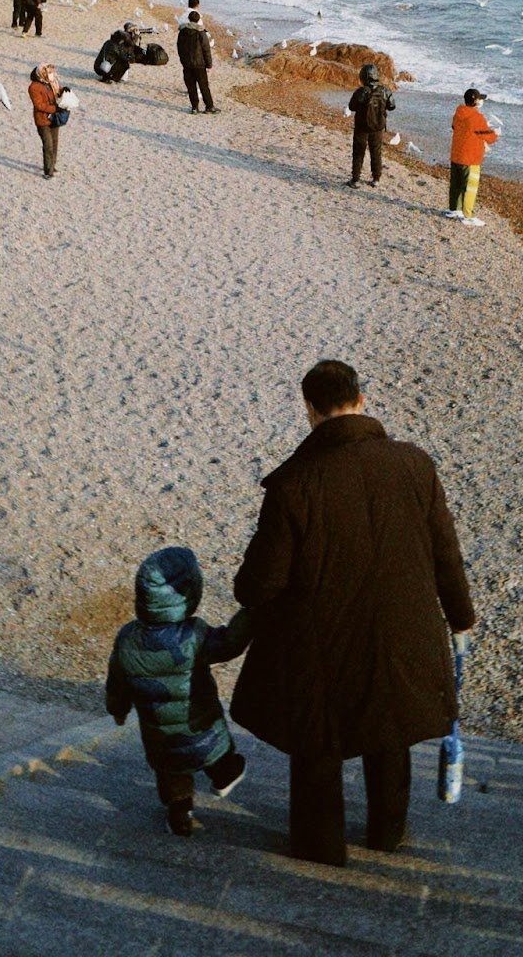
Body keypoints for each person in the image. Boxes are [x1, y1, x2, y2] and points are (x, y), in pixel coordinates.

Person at [231, 359, 475, 868]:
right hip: (400, 630)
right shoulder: (414, 464)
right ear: (362, 401)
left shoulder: (294, 483)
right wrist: (461, 618)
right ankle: (388, 834)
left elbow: (260, 584)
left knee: (319, 740)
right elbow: (444, 552)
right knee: (388, 726)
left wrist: (248, 591)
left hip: (322, 642)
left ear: (311, 411)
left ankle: (320, 849)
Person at [106, 546, 251, 838]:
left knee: (172, 775)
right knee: (215, 753)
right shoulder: (194, 635)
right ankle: (225, 774)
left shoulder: (127, 639)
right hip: (200, 724)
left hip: (159, 736)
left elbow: (117, 682)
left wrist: (118, 710)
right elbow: (229, 644)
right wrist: (249, 615)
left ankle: (180, 816)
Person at [447, 87, 498, 225]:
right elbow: (490, 138)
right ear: (476, 101)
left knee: (456, 185)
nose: (482, 101)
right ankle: (468, 216)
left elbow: (454, 127)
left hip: (456, 154)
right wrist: (496, 133)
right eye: (480, 99)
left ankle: (453, 209)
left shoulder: (458, 113)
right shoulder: (477, 117)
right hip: (470, 157)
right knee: (470, 187)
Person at [347, 63, 395, 188]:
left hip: (361, 127)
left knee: (358, 152)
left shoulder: (360, 92)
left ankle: (355, 180)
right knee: (376, 152)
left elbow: (351, 107)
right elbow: (392, 106)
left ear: (363, 77)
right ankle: (376, 179)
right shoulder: (385, 91)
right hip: (377, 127)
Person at [27, 62, 66, 177]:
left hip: (54, 119)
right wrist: (55, 109)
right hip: (43, 120)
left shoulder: (51, 83)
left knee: (54, 143)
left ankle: (52, 165)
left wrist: (64, 91)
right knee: (48, 144)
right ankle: (48, 171)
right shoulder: (34, 87)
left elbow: (57, 92)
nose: (49, 74)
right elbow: (39, 105)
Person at [176, 9, 217, 113]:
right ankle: (209, 107)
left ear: (189, 19)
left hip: (187, 64)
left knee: (191, 87)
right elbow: (206, 49)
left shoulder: (182, 32)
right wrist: (209, 64)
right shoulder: (201, 32)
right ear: (198, 20)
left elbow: (179, 48)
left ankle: (195, 108)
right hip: (199, 64)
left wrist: (183, 60)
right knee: (204, 86)